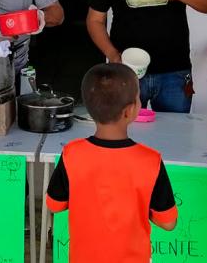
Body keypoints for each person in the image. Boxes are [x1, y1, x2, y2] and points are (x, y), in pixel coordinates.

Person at [46, 63, 178, 262]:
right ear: (130, 111)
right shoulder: (150, 161)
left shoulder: (71, 154)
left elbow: (55, 205)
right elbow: (168, 222)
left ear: (89, 109)